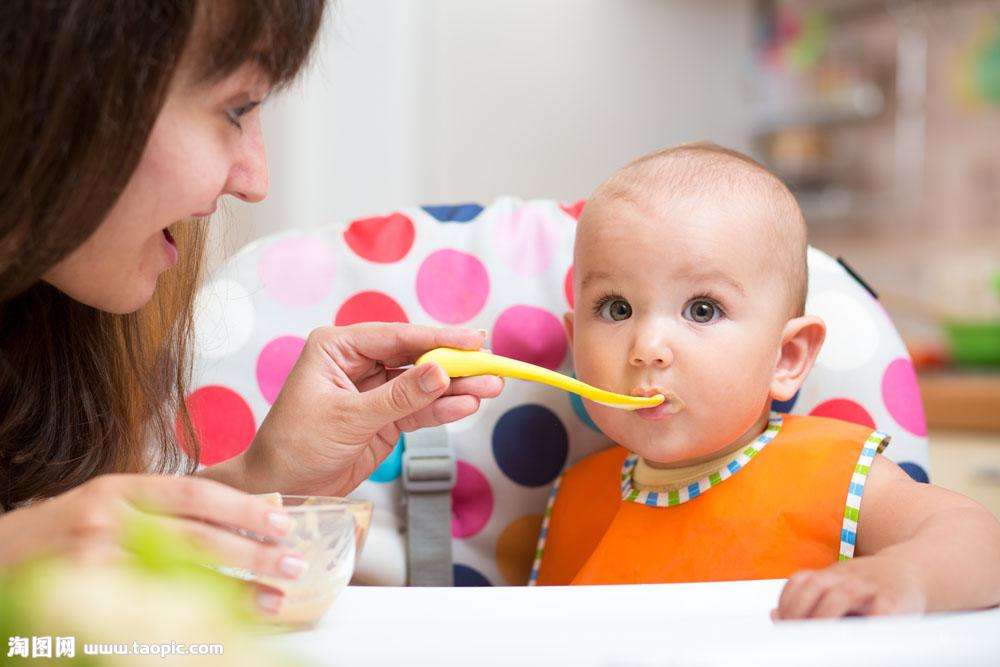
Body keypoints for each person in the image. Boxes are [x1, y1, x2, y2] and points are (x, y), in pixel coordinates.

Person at [0, 1, 502, 616]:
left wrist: (260, 482)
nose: (255, 179)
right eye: (236, 109)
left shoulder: (54, 329)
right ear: (50, 81)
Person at [530, 143, 1000, 619]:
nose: (647, 346)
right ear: (575, 344)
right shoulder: (577, 498)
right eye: (617, 309)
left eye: (702, 310)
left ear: (787, 357)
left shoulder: (832, 476)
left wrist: (904, 577)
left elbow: (980, 543)